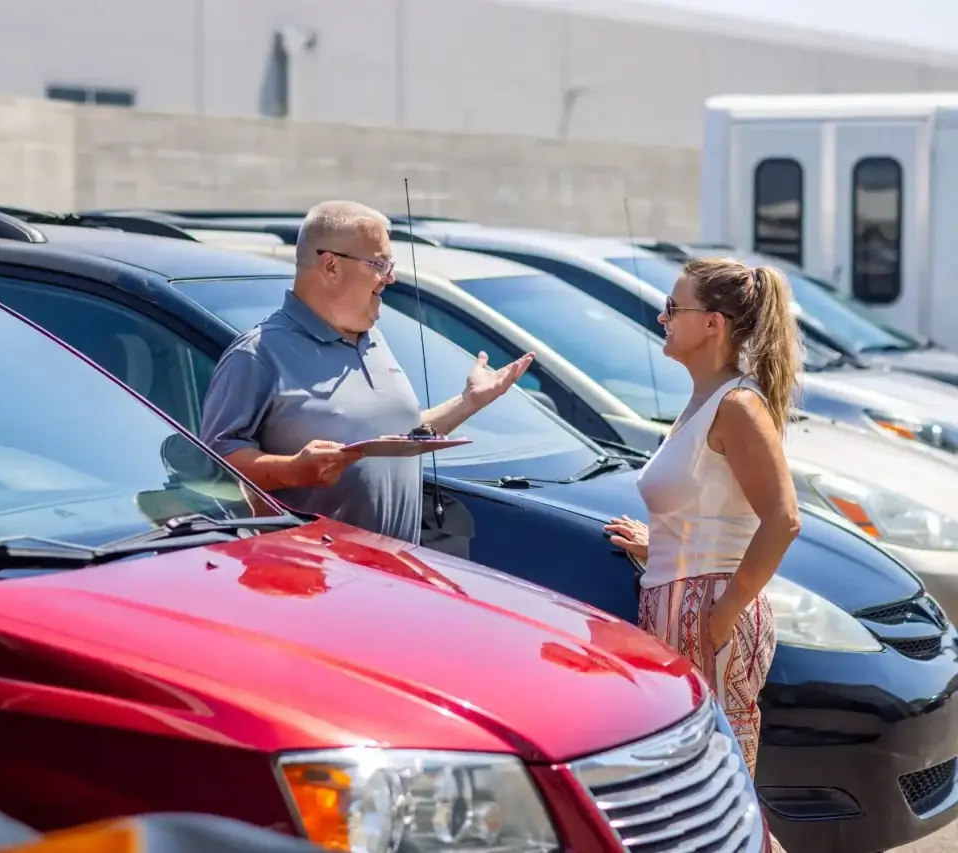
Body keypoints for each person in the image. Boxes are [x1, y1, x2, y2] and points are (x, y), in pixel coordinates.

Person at [604, 258, 801, 853]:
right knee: (693, 797)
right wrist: (658, 542)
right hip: (681, 600)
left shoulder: (738, 405)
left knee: (716, 800)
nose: (663, 317)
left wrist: (723, 612)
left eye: (674, 307)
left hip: (708, 611)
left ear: (713, 323)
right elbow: (710, 505)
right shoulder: (706, 399)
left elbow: (783, 519)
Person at [199, 200, 533, 544]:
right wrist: (294, 469)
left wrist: (468, 402)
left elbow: (398, 436)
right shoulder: (257, 353)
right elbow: (211, 469)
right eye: (379, 263)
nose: (391, 277)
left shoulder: (373, 339)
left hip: (397, 572)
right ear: (330, 265)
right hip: (317, 580)